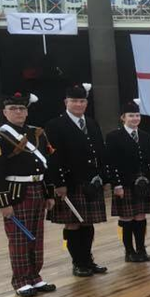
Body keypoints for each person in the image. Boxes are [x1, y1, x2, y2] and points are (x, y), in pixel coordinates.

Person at [0, 92, 57, 297]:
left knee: (37, 236)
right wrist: (2, 202)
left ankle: (35, 277)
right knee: (19, 238)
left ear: (27, 111)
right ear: (4, 112)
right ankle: (21, 280)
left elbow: (47, 166)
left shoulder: (37, 133)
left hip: (38, 190)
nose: (18, 112)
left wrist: (49, 193)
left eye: (22, 109)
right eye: (13, 109)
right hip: (15, 193)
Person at [45, 83, 109, 277]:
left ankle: (88, 260)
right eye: (74, 101)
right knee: (72, 224)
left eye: (82, 101)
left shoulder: (91, 123)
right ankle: (78, 262)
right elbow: (53, 158)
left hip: (91, 182)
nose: (79, 104)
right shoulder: (54, 125)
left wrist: (104, 178)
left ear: (86, 103)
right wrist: (59, 183)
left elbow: (100, 152)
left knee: (88, 223)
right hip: (70, 183)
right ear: (66, 102)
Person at [106, 99, 150, 263]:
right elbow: (111, 162)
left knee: (141, 217)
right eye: (131, 115)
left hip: (144, 184)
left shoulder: (145, 136)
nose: (135, 118)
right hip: (125, 184)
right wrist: (117, 184)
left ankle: (141, 249)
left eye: (137, 115)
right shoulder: (114, 136)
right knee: (127, 218)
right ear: (123, 117)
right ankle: (129, 252)